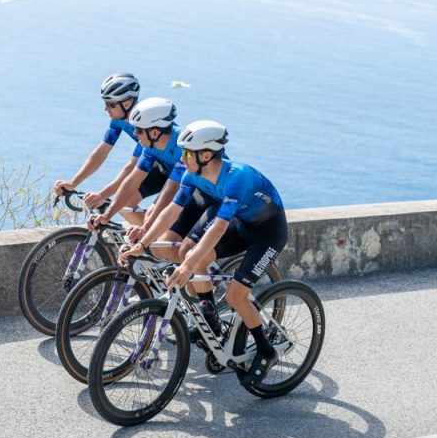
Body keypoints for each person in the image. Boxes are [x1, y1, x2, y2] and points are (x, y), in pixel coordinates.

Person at [120, 120, 288, 385]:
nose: (182, 157)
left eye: (187, 153)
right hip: (242, 224)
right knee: (190, 251)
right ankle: (209, 314)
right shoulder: (192, 174)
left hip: (268, 232)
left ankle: (266, 350)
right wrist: (143, 243)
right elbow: (171, 212)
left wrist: (187, 267)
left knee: (235, 295)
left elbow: (219, 228)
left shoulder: (237, 178)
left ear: (206, 155)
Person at [53, 73, 148, 224]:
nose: (105, 108)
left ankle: (154, 239)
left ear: (128, 103)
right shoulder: (118, 120)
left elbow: (132, 167)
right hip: (156, 165)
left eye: (111, 104)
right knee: (123, 203)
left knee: (123, 203)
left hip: (175, 171)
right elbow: (101, 151)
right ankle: (149, 242)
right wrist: (73, 183)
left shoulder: (144, 124)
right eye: (105, 103)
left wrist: (102, 195)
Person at [86, 97, 185, 236]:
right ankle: (154, 243)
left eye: (138, 130)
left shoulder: (184, 149)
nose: (134, 134)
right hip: (168, 172)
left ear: (155, 133)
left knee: (166, 231)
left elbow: (172, 189)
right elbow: (132, 180)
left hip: (201, 189)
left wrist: (146, 228)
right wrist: (106, 216)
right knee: (128, 204)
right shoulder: (150, 146)